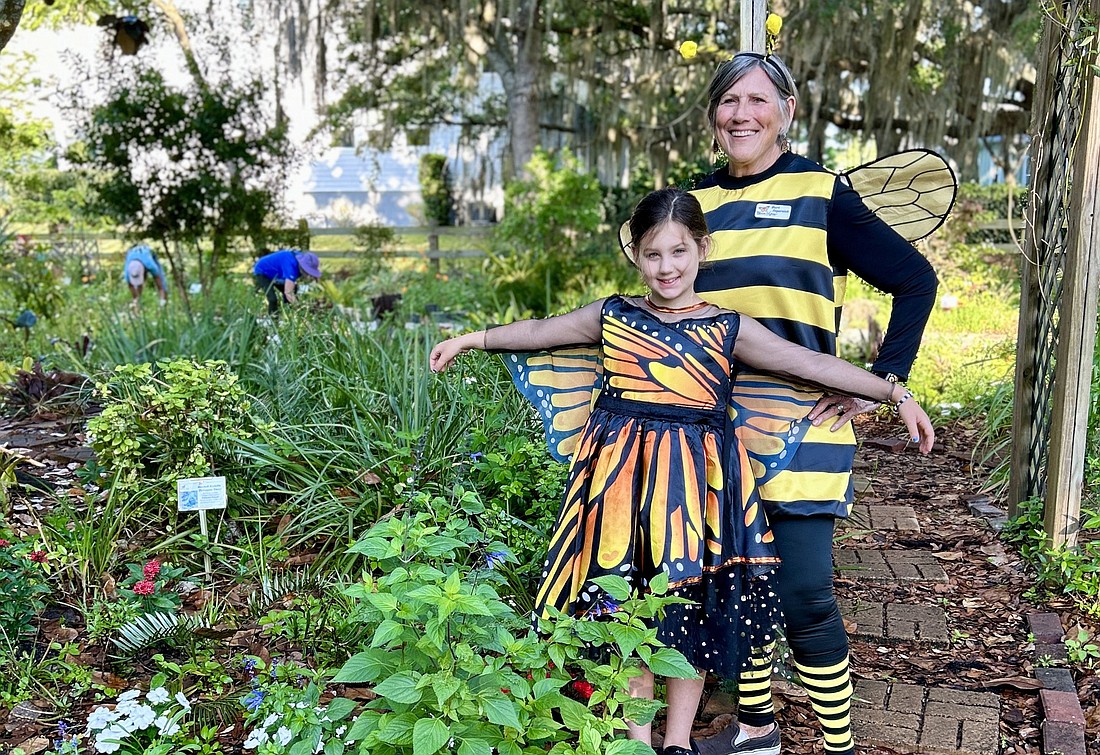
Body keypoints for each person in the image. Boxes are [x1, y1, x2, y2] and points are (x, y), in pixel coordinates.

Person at [429, 187, 934, 755]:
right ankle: (636, 739)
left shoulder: (727, 327)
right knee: (625, 607)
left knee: (688, 606)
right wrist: (471, 339)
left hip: (697, 493)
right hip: (619, 489)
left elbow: (809, 362)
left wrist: (894, 392)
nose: (666, 267)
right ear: (636, 256)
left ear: (701, 250)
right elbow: (541, 331)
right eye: (652, 255)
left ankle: (677, 743)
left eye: (678, 252)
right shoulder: (613, 315)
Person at [690, 53, 940, 755]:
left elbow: (915, 279)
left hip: (807, 427)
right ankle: (756, 731)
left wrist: (880, 379)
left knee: (803, 593)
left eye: (757, 100)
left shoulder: (819, 192)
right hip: (716, 433)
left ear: (787, 111)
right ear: (713, 114)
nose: (741, 114)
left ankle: (839, 745)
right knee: (741, 586)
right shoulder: (695, 205)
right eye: (728, 101)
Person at [252, 249, 322, 314]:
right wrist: (301, 309)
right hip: (262, 271)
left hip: (276, 272)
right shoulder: (291, 267)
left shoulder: (300, 258)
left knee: (294, 290)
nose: (308, 275)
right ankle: (273, 322)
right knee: (273, 299)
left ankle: (288, 315)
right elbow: (288, 293)